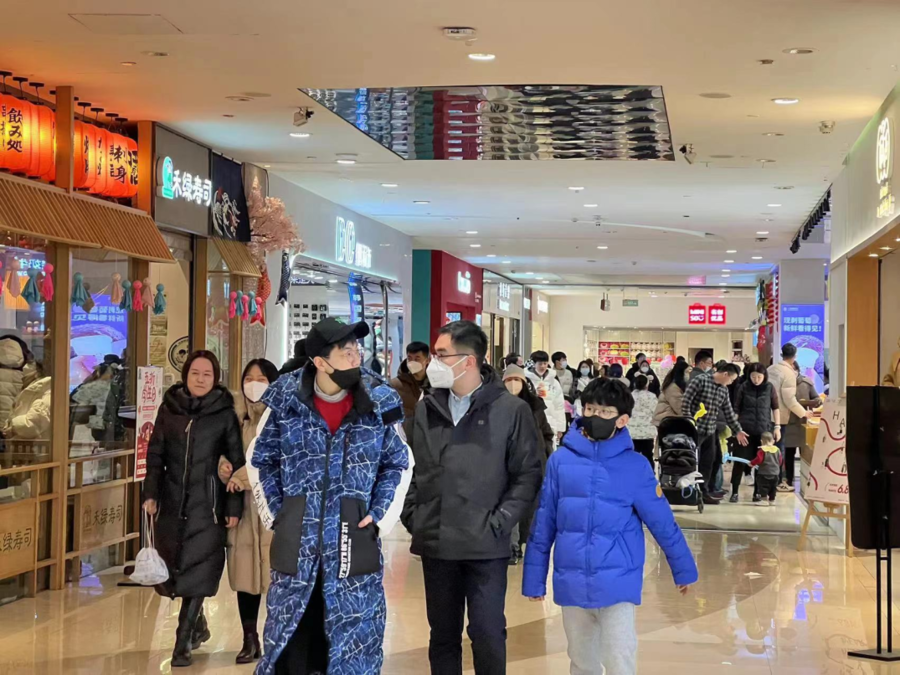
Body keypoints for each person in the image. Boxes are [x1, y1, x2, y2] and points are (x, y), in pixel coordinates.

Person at [251, 318, 408, 675]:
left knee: (353, 642)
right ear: (320, 362)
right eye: (346, 352)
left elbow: (398, 463)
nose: (356, 358)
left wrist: (379, 515)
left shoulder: (379, 400)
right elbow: (261, 459)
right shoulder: (285, 401)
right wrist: (279, 515)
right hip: (297, 542)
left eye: (357, 351)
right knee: (291, 642)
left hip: (354, 539)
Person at [522, 378, 698, 675]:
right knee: (581, 660)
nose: (595, 416)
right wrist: (534, 579)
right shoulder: (560, 461)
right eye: (590, 409)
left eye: (605, 412)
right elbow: (543, 524)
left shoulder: (636, 466)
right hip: (571, 579)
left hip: (618, 581)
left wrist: (683, 570)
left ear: (622, 420)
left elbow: (662, 522)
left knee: (619, 657)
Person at [401, 321, 542, 675]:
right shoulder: (428, 408)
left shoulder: (510, 410)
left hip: (486, 544)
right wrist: (414, 514)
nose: (433, 362)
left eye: (441, 355)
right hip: (436, 540)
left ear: (469, 361)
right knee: (442, 636)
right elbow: (412, 467)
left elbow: (527, 474)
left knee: (487, 632)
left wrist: (502, 521)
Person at [141, 350, 245, 667]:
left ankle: (182, 640)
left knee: (200, 569)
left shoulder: (224, 413)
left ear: (216, 379)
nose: (200, 379)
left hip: (208, 505)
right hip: (171, 502)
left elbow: (236, 461)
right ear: (186, 375)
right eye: (195, 373)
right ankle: (198, 625)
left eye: (207, 374)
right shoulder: (169, 409)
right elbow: (155, 454)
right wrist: (150, 493)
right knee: (174, 570)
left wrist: (233, 506)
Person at [215, 358, 280, 664]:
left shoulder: (281, 419)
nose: (254, 384)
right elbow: (222, 454)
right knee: (245, 577)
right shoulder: (234, 418)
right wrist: (223, 467)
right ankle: (249, 638)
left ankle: (277, 638)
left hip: (272, 510)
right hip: (240, 510)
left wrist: (241, 477)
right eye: (249, 378)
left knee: (276, 578)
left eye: (262, 379)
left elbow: (275, 461)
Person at [502, 364, 555, 565]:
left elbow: (546, 433)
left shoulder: (535, 406)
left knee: (530, 507)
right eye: (509, 380)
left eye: (517, 380)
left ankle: (522, 543)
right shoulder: (497, 405)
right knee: (509, 503)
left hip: (532, 462)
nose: (513, 384)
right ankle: (511, 546)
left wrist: (545, 454)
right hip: (505, 463)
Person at [681, 362, 749, 505]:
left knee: (711, 460)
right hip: (695, 430)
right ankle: (688, 491)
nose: (731, 383)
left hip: (710, 430)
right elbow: (686, 402)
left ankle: (704, 491)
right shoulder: (700, 381)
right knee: (691, 460)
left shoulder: (723, 390)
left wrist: (738, 430)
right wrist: (689, 422)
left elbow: (729, 412)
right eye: (731, 379)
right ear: (725, 374)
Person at [731, 364, 781, 503]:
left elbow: (776, 408)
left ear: (764, 376)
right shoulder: (743, 387)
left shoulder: (769, 387)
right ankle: (734, 492)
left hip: (763, 431)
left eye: (759, 377)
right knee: (739, 461)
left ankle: (758, 492)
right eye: (753, 376)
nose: (756, 380)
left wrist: (777, 427)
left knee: (762, 462)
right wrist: (735, 429)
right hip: (745, 431)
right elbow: (736, 409)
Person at [767, 344, 811, 492]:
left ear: (781, 354)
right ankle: (779, 481)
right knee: (778, 450)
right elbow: (789, 399)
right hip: (780, 417)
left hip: (766, 414)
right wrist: (803, 413)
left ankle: (766, 481)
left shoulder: (770, 369)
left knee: (767, 448)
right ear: (795, 356)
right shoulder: (789, 373)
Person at [782, 360, 821, 491]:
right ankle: (788, 480)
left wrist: (813, 402)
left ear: (798, 370)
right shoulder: (783, 383)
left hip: (803, 424)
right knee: (789, 454)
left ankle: (808, 482)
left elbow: (817, 399)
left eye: (793, 370)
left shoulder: (806, 383)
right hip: (788, 423)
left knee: (806, 454)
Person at [390, 341, 431, 440]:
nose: (412, 362)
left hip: (428, 439)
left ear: (427, 360)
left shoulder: (435, 385)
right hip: (405, 439)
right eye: (409, 358)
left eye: (417, 358)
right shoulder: (396, 385)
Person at [527, 350, 567, 441]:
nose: (543, 366)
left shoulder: (554, 382)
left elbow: (559, 406)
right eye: (540, 364)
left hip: (551, 423)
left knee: (549, 447)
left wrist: (560, 428)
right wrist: (534, 394)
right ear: (534, 364)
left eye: (545, 363)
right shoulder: (527, 381)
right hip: (532, 423)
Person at [628, 374, 658, 467]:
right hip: (647, 431)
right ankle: (649, 473)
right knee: (648, 455)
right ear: (647, 385)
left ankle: (634, 473)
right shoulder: (652, 396)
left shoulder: (629, 396)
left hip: (632, 431)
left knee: (633, 456)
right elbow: (655, 411)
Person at [749, 432, 783, 507]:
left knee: (763, 487)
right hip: (775, 473)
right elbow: (780, 460)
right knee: (773, 487)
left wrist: (752, 463)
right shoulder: (777, 450)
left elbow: (759, 460)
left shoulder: (762, 450)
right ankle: (772, 500)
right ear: (773, 441)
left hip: (764, 473)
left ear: (761, 441)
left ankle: (764, 500)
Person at [653, 360, 689, 427]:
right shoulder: (673, 388)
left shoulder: (675, 385)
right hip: (666, 420)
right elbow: (678, 407)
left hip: (668, 419)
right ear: (681, 373)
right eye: (686, 372)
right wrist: (690, 416)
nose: (688, 375)